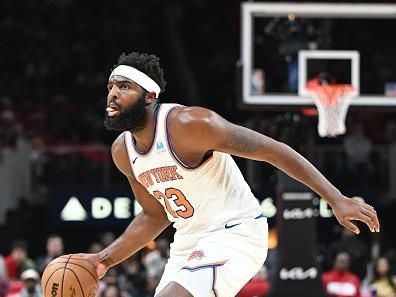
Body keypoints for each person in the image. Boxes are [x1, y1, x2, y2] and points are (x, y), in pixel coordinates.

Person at [82, 52, 380, 297]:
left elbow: (272, 149)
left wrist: (336, 199)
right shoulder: (123, 151)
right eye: (111, 86)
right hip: (188, 243)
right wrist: (103, 260)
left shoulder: (190, 125)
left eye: (124, 87)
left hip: (236, 233)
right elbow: (154, 216)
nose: (112, 94)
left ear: (149, 96)